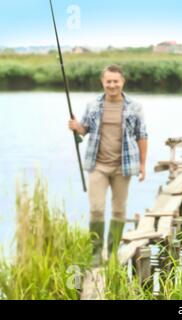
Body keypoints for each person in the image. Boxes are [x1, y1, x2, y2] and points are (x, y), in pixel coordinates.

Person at [68, 64, 148, 266]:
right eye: (108, 81)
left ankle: (112, 253)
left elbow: (142, 135)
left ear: (122, 82)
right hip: (98, 165)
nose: (112, 85)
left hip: (124, 166)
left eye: (116, 81)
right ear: (103, 82)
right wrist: (76, 127)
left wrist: (143, 164)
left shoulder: (134, 106)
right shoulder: (93, 104)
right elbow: (83, 130)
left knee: (119, 210)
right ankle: (96, 254)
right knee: (96, 209)